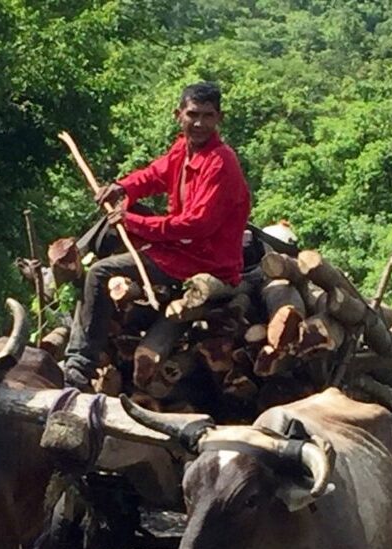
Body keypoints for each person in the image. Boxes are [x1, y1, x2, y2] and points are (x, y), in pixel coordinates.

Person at [63, 81, 252, 391]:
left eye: (207, 116)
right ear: (179, 115)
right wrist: (123, 187)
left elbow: (197, 225)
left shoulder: (221, 162)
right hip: (179, 246)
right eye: (193, 115)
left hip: (202, 260)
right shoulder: (182, 149)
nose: (199, 123)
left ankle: (79, 365)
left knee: (99, 272)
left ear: (220, 118)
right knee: (116, 223)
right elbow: (154, 174)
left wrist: (134, 222)